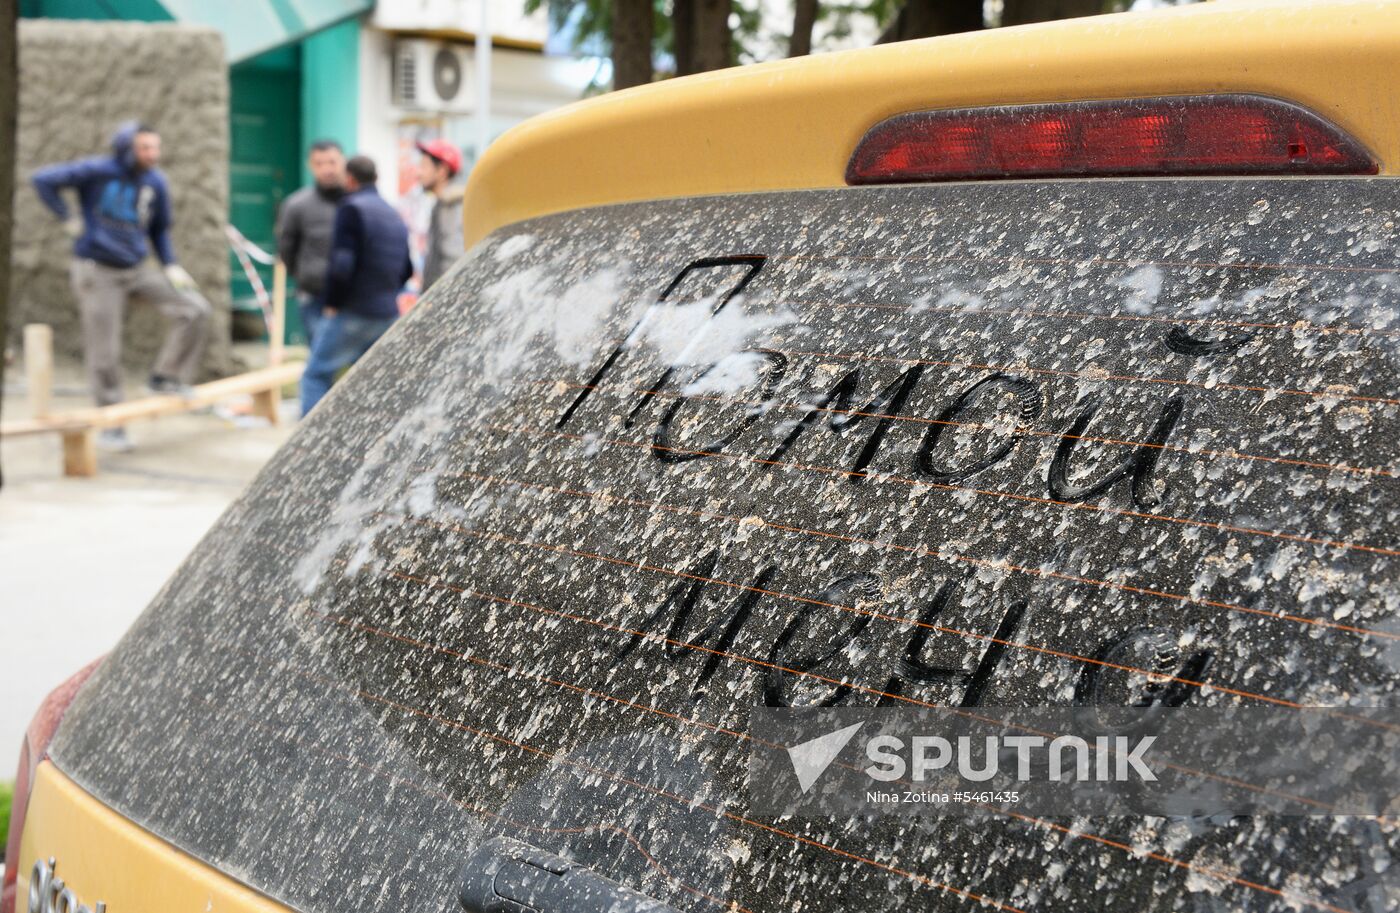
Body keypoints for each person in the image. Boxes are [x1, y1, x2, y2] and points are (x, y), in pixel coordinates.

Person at [32, 121, 210, 451]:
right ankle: (111, 423)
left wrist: (171, 265)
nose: (152, 155)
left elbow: (159, 230)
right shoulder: (97, 171)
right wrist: (67, 218)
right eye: (145, 148)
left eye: (156, 148)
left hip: (137, 267)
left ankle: (166, 377)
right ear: (126, 147)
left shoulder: (155, 181)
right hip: (96, 269)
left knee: (195, 309)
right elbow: (42, 179)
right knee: (105, 352)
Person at [300, 155, 412, 416]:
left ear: (349, 179)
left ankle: (307, 450)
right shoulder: (393, 213)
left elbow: (341, 265)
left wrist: (332, 304)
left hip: (353, 311)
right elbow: (406, 270)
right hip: (386, 314)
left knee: (315, 375)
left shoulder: (351, 208)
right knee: (369, 381)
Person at [275, 139, 345, 346]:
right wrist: (306, 276)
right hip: (313, 296)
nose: (327, 169)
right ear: (310, 166)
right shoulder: (296, 205)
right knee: (318, 355)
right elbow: (286, 249)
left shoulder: (356, 202)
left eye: (332, 162)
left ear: (343, 161)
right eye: (319, 163)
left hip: (351, 299)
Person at [415, 138, 464, 292]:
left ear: (442, 171)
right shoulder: (442, 204)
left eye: (423, 166)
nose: (418, 173)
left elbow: (452, 260)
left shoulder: (451, 205)